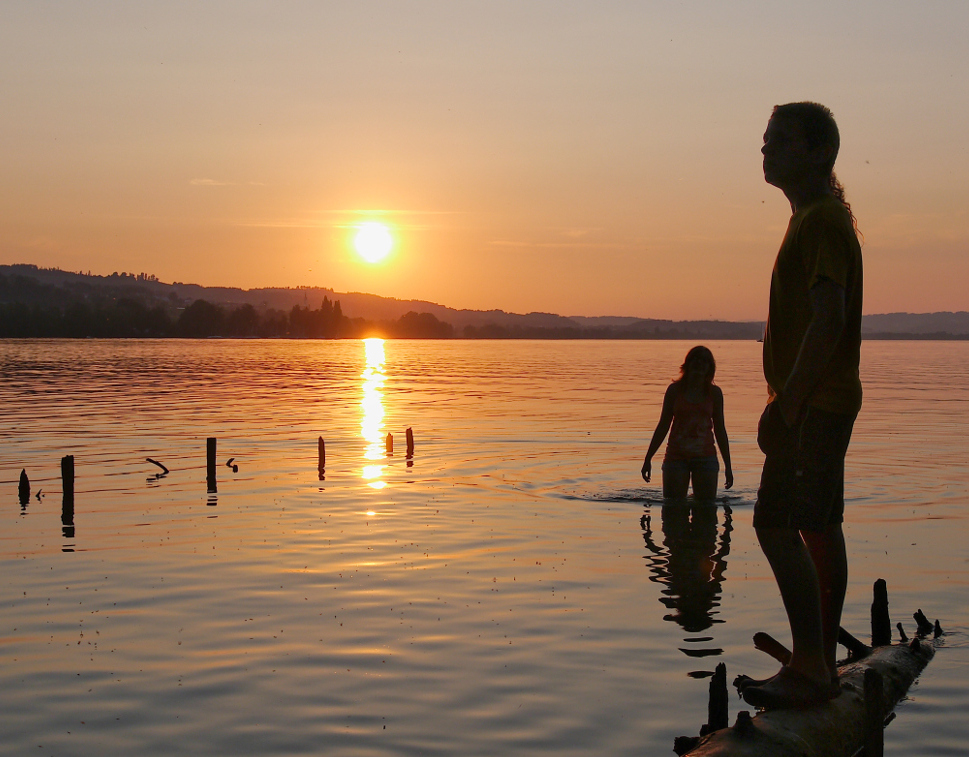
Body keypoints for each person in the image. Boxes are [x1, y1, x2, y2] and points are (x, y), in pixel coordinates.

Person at [739, 102, 863, 709]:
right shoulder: (818, 218)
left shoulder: (820, 222)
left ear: (818, 152)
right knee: (818, 524)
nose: (766, 151)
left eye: (780, 141)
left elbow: (828, 318)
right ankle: (820, 663)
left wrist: (786, 404)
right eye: (765, 141)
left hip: (811, 405)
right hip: (826, 401)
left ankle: (812, 664)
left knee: (774, 524)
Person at [641, 346, 733, 500]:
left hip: (705, 458)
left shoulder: (715, 394)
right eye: (695, 360)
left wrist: (728, 467)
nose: (699, 364)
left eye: (705, 361)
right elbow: (663, 426)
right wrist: (648, 458)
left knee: (706, 513)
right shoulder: (674, 391)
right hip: (676, 457)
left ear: (710, 368)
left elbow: (720, 430)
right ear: (687, 364)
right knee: (672, 509)